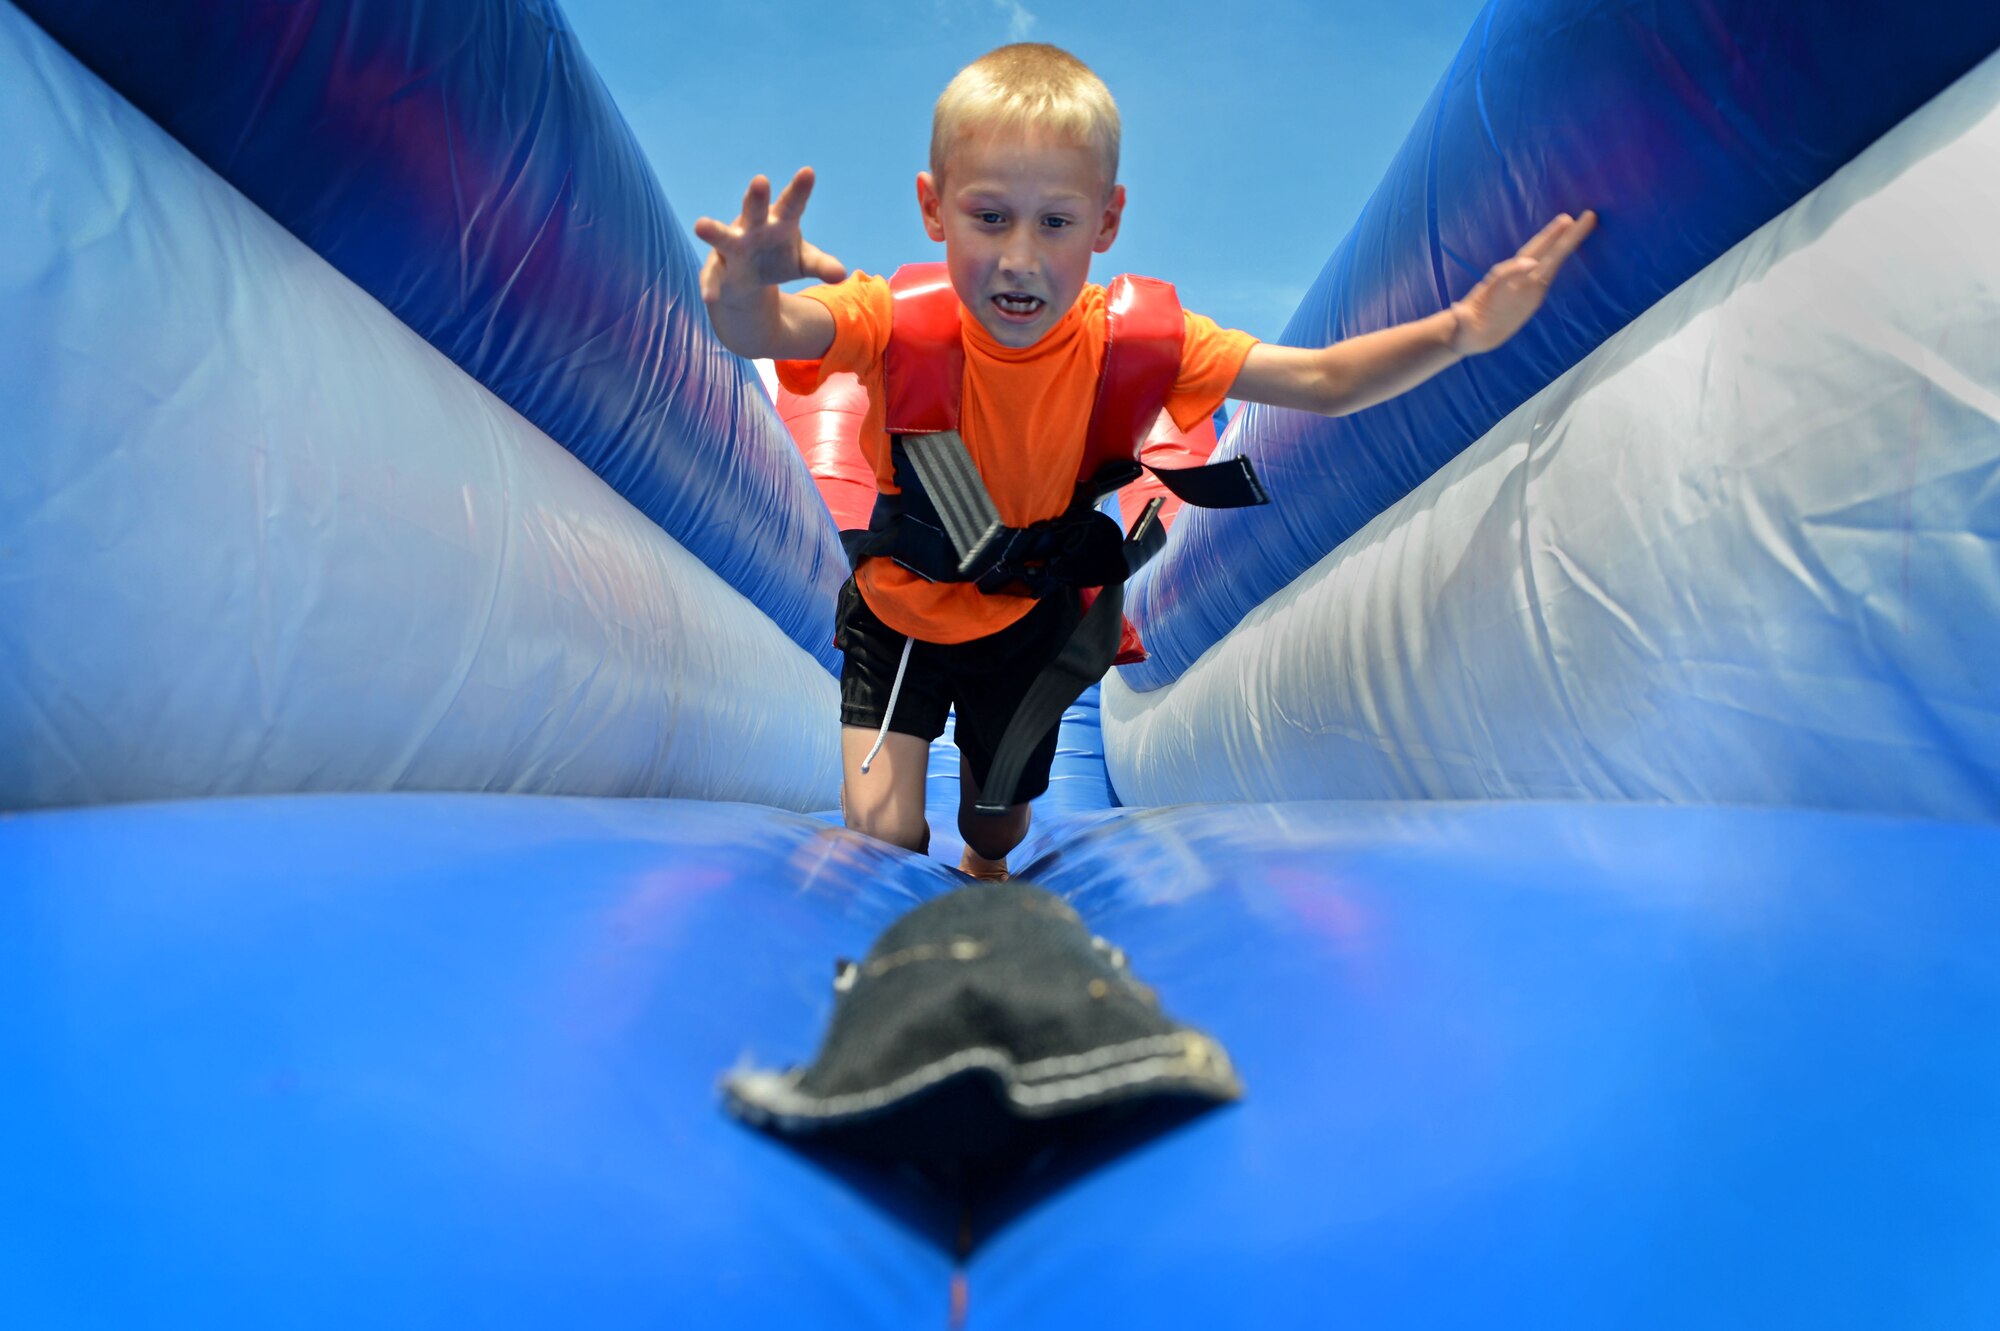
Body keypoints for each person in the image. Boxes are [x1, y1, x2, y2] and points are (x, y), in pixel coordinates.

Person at [695, 43, 1594, 881]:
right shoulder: (890, 317)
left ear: (1107, 221)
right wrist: (741, 292)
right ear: (934, 208)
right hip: (903, 612)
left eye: (1055, 222)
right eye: (988, 218)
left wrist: (1460, 332)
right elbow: (771, 329)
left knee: (993, 829)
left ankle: (987, 852)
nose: (1020, 257)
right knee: (881, 839)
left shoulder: (1141, 344)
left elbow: (1320, 380)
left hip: (1026, 628)